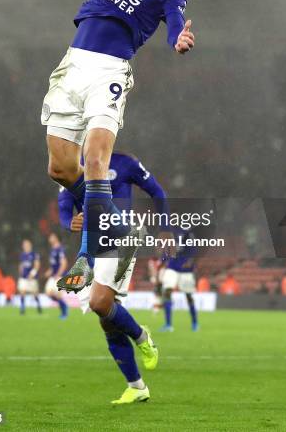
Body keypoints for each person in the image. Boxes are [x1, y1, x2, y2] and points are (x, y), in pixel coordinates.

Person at [41, 0, 193, 404]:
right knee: (61, 168)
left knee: (99, 158)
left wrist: (178, 38)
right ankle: (103, 240)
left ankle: (89, 251)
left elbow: (177, 20)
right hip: (72, 63)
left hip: (110, 72)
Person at [58, 151, 167, 404]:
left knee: (99, 303)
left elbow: (157, 192)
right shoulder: (73, 166)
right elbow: (64, 208)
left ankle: (141, 336)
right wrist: (69, 222)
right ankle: (137, 386)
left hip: (121, 238)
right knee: (106, 318)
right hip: (93, 245)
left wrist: (165, 228)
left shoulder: (124, 163)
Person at [159, 229, 199, 332]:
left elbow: (194, 250)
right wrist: (164, 261)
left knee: (189, 296)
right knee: (167, 293)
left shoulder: (189, 233)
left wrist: (190, 262)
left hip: (185, 269)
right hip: (172, 267)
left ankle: (195, 323)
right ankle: (168, 325)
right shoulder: (171, 232)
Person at [44, 233, 68, 319]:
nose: (50, 239)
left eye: (51, 237)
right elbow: (53, 265)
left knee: (57, 294)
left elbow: (64, 263)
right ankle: (64, 306)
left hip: (59, 276)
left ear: (56, 238)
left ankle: (64, 312)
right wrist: (49, 272)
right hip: (53, 276)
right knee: (48, 293)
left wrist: (59, 274)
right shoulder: (52, 250)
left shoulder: (60, 249)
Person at [17, 239, 42, 315]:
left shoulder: (34, 254)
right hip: (24, 277)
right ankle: (22, 308)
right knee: (22, 291)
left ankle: (38, 306)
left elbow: (37, 265)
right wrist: (20, 271)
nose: (25, 246)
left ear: (30, 245)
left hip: (32, 278)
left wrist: (32, 274)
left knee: (35, 294)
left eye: (26, 245)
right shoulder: (22, 255)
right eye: (24, 245)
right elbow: (21, 265)